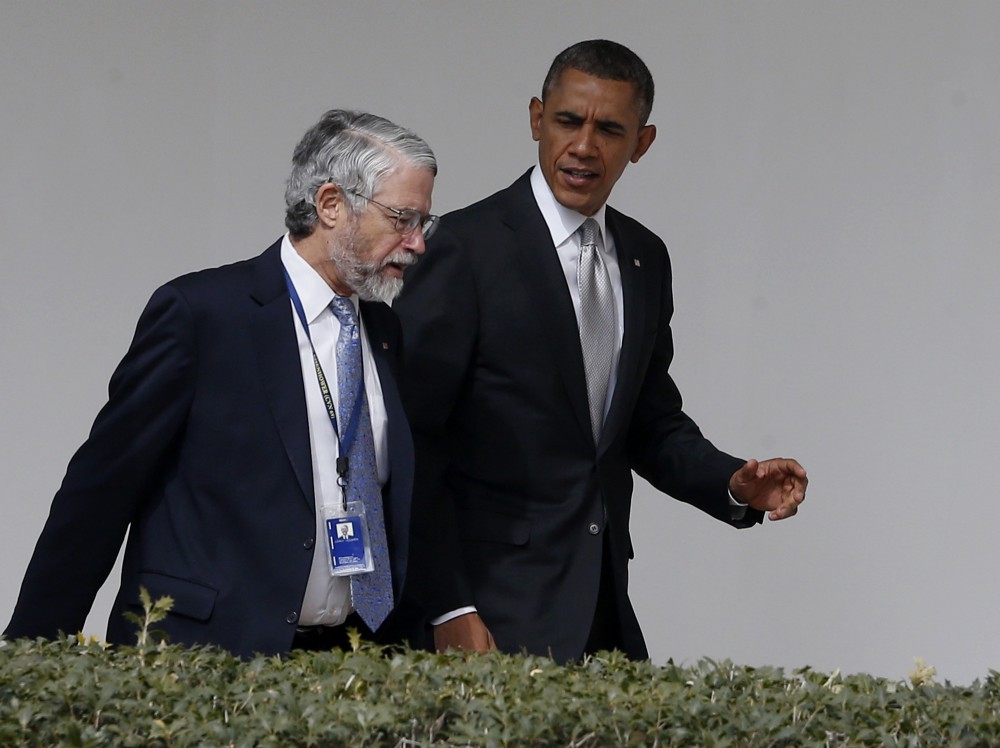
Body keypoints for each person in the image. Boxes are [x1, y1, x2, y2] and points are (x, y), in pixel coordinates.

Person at [393, 40, 808, 663]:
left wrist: (732, 482)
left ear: (641, 142)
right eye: (567, 121)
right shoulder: (462, 249)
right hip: (482, 617)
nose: (584, 146)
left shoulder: (645, 257)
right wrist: (447, 606)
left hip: (601, 610)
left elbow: (647, 422)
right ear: (537, 118)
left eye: (609, 129)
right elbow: (406, 441)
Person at [4, 109, 439, 658]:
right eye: (403, 218)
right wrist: (31, 654)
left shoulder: (383, 331)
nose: (417, 243)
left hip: (349, 662)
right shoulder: (202, 315)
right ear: (331, 204)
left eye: (425, 223)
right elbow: (101, 490)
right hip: (210, 659)